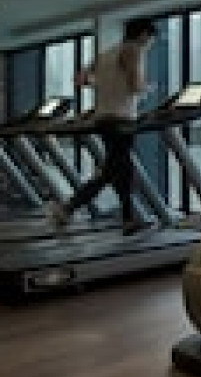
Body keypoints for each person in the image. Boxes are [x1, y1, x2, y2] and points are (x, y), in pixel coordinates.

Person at [47, 19, 157, 235]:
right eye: (151, 39)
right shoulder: (134, 50)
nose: (151, 44)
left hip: (103, 118)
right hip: (122, 119)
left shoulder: (105, 54)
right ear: (144, 34)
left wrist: (103, 85)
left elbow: (79, 79)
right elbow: (135, 86)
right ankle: (68, 207)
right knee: (111, 170)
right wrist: (148, 88)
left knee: (122, 168)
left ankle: (128, 218)